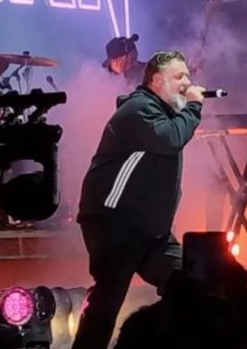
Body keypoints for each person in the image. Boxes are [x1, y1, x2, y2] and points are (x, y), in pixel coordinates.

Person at [72, 50, 206, 348]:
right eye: (179, 76)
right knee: (107, 302)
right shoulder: (138, 110)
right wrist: (194, 106)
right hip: (114, 223)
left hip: (150, 230)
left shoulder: (160, 112)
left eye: (188, 76)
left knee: (192, 284)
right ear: (157, 80)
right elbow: (171, 139)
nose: (188, 82)